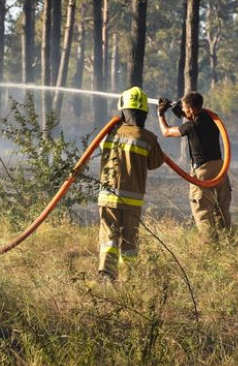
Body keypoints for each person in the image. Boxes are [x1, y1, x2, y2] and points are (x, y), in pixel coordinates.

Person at [97, 86, 164, 281]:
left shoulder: (108, 133)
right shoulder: (147, 138)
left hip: (108, 197)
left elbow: (99, 149)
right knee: (129, 242)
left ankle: (107, 278)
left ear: (123, 110)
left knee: (108, 239)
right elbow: (155, 163)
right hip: (132, 201)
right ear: (144, 112)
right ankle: (130, 278)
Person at [157, 91, 231, 241]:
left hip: (202, 173)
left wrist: (160, 114)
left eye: (184, 108)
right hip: (220, 169)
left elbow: (166, 132)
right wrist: (177, 108)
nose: (183, 111)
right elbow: (193, 116)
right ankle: (227, 242)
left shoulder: (191, 126)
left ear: (190, 109)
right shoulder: (212, 118)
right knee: (222, 211)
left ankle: (209, 247)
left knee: (203, 211)